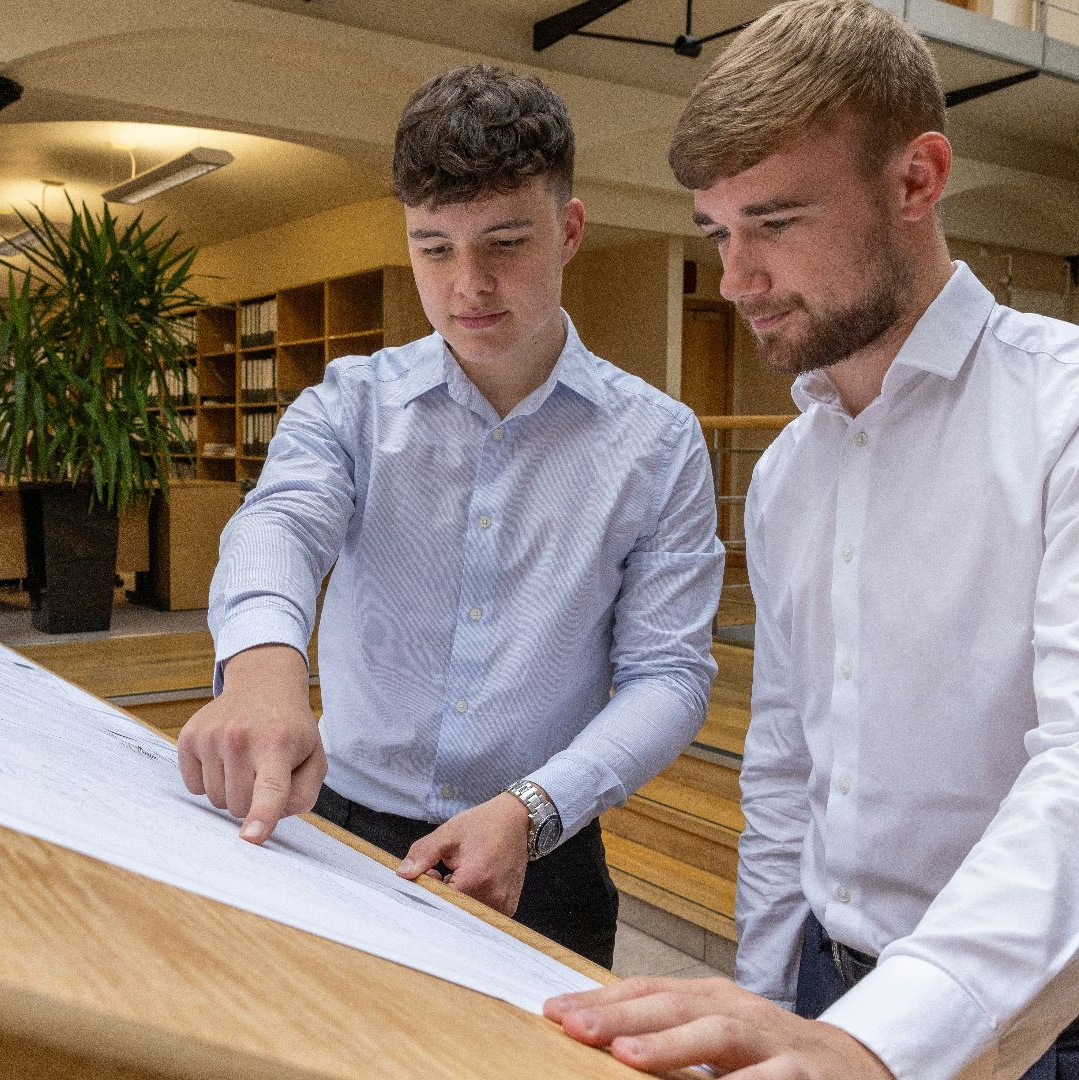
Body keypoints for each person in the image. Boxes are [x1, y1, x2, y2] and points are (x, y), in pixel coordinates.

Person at [545, 2, 1079, 1077]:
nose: (736, 280)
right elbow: (785, 772)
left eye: (774, 224)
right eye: (719, 233)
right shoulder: (787, 475)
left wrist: (874, 1044)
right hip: (826, 994)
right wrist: (773, 1001)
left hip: (1062, 1037)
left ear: (917, 180)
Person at [178, 63, 724, 967]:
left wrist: (532, 809)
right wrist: (263, 667)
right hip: (341, 823)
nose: (467, 283)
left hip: (542, 843)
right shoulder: (349, 404)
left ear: (570, 230)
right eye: (435, 249)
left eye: (504, 243)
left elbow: (669, 674)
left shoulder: (659, 443)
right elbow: (280, 522)